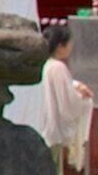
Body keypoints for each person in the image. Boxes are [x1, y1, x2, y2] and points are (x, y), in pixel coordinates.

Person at [34, 23, 91, 154]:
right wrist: (82, 98)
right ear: (60, 46)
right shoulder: (58, 67)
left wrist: (76, 86)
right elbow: (68, 101)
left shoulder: (44, 64)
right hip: (52, 127)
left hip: (40, 123)